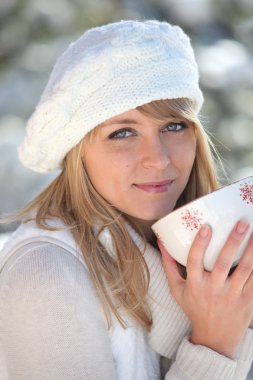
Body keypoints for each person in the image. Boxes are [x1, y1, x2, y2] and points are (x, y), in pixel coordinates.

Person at [0, 19, 253, 380]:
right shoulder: (47, 274)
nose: (159, 159)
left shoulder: (201, 264)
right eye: (122, 132)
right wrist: (213, 349)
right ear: (77, 151)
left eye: (173, 126)